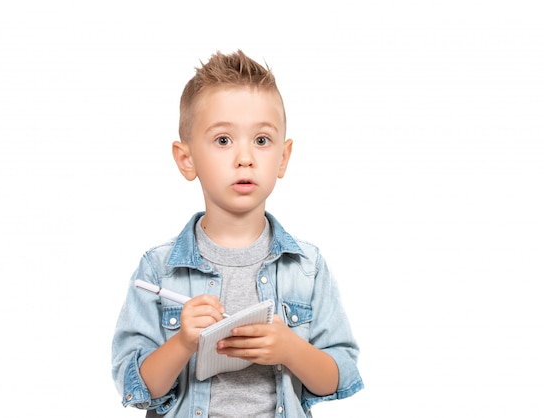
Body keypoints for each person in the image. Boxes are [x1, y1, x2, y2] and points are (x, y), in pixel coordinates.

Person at [111, 49, 363, 417]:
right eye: (223, 140)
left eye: (261, 140)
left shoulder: (307, 267)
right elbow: (136, 390)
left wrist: (291, 349)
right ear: (187, 159)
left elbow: (339, 378)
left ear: (283, 158)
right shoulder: (159, 268)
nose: (245, 157)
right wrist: (183, 342)